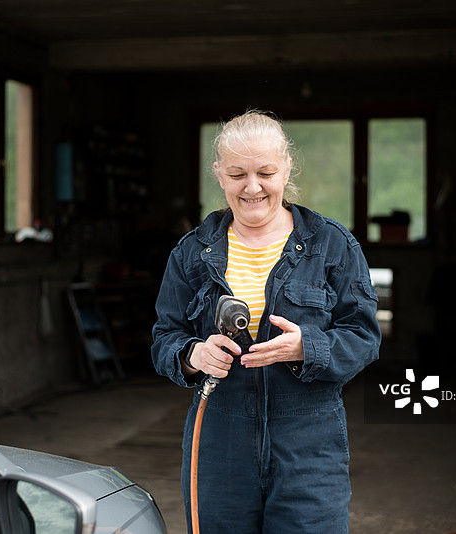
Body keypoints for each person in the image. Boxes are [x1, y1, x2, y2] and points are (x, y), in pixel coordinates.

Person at [151, 110, 381, 533]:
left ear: (287, 168)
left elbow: (364, 336)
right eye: (237, 173)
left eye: (266, 172)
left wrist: (307, 347)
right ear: (218, 174)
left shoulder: (331, 245)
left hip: (308, 438)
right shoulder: (191, 253)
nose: (252, 186)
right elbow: (165, 337)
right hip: (220, 436)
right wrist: (193, 354)